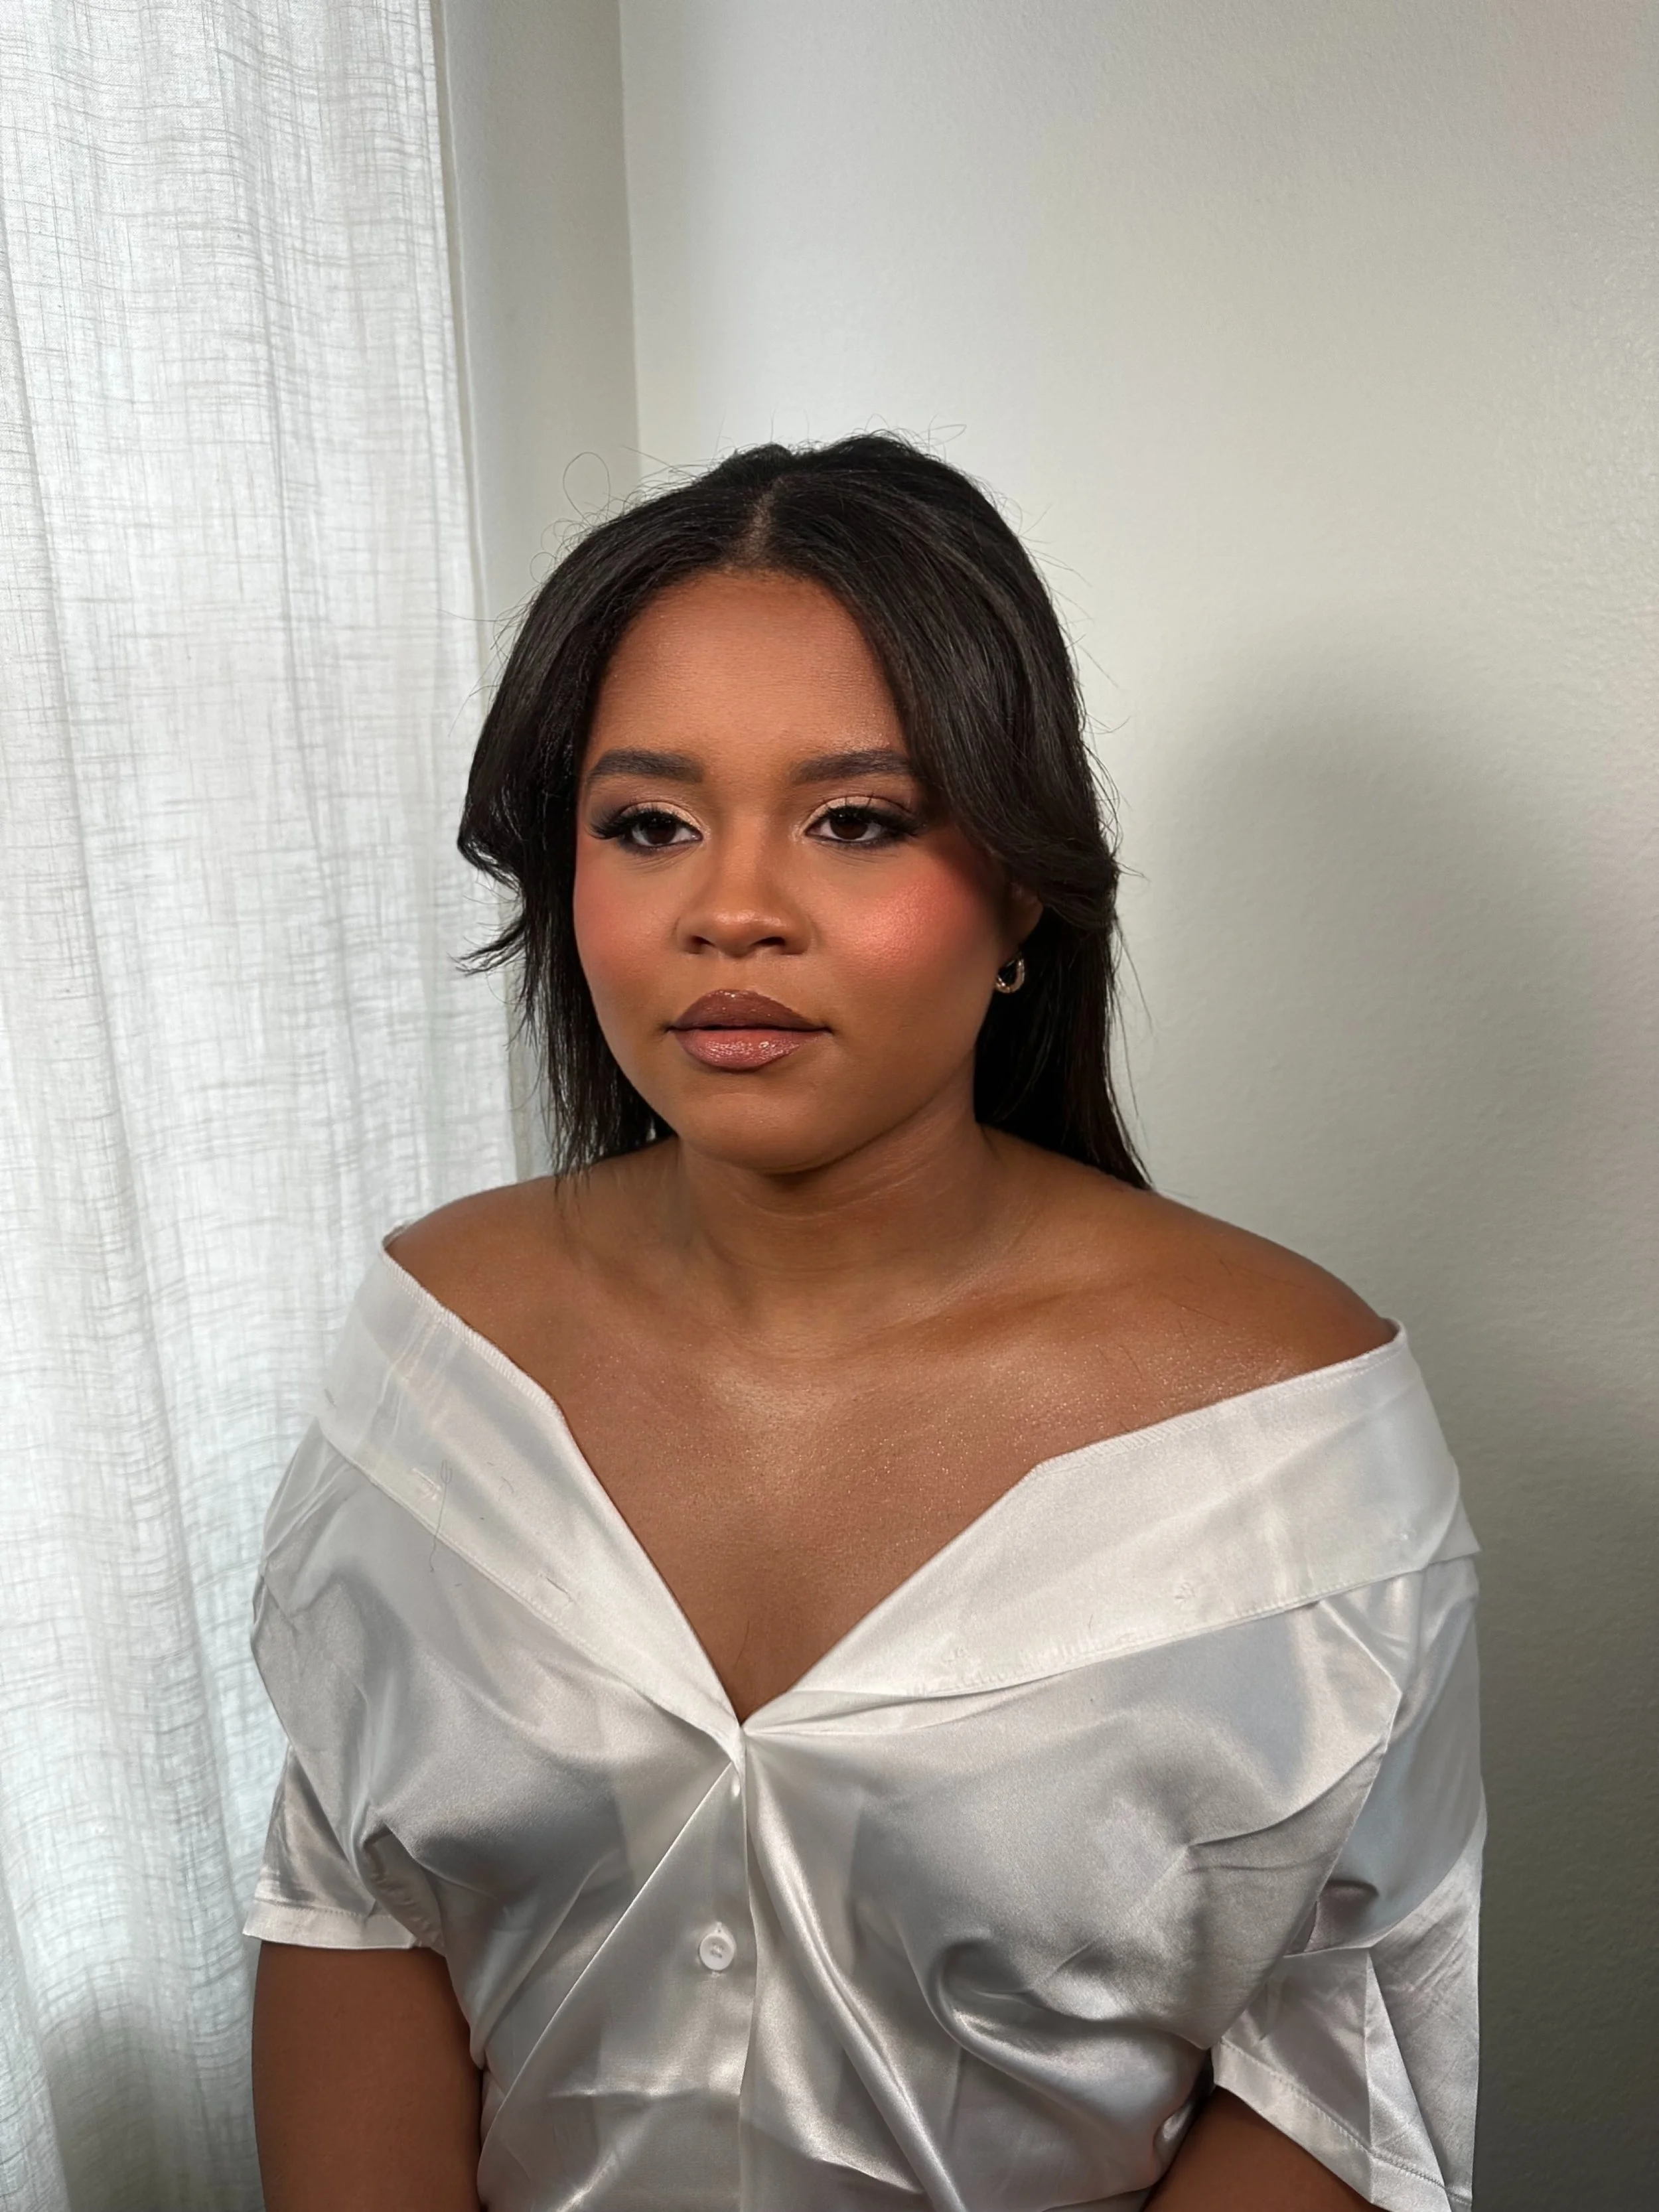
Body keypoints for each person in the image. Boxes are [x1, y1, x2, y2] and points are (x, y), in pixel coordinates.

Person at [246, 435, 1482, 2212]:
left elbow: (1341, 2069)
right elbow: (354, 1896)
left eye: (855, 819)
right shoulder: (438, 1352)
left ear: (1022, 887)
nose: (730, 908)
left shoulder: (1287, 1428)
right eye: (647, 822)